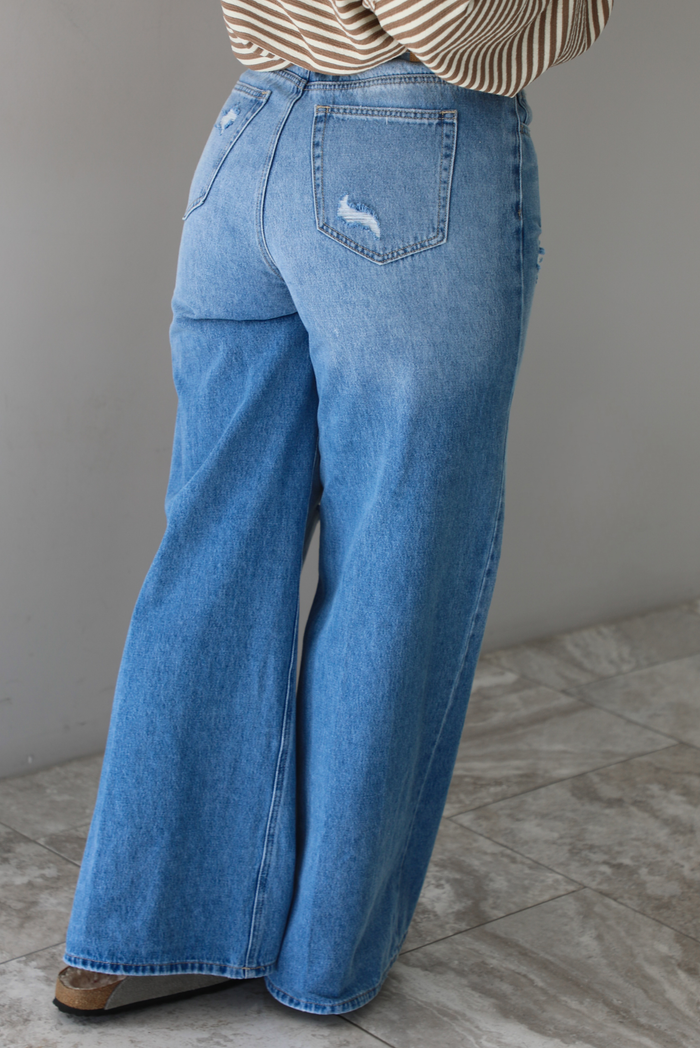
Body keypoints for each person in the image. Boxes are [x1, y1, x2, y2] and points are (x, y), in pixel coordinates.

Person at [53, 0, 613, 1019]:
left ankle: (147, 932)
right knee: (396, 570)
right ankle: (321, 959)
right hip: (409, 152)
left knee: (213, 548)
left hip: (250, 140)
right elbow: (452, 22)